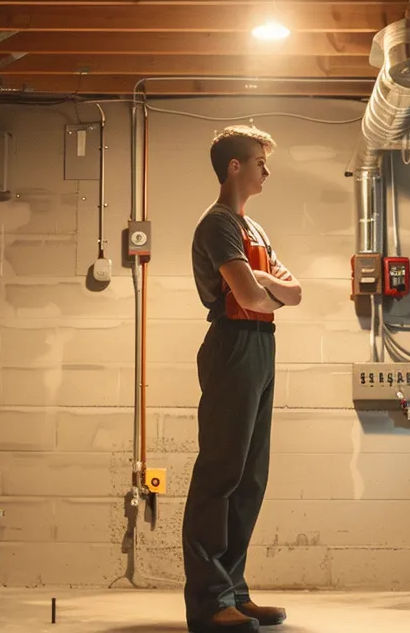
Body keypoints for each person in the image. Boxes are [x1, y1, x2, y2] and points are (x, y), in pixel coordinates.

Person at [183, 125, 302, 633]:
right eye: (259, 161)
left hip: (261, 344)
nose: (265, 170)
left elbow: (293, 294)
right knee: (221, 474)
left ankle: (234, 590)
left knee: (251, 477)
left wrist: (266, 286)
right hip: (232, 343)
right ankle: (209, 603)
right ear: (235, 166)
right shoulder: (219, 225)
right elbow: (252, 297)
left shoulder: (255, 230)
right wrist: (268, 287)